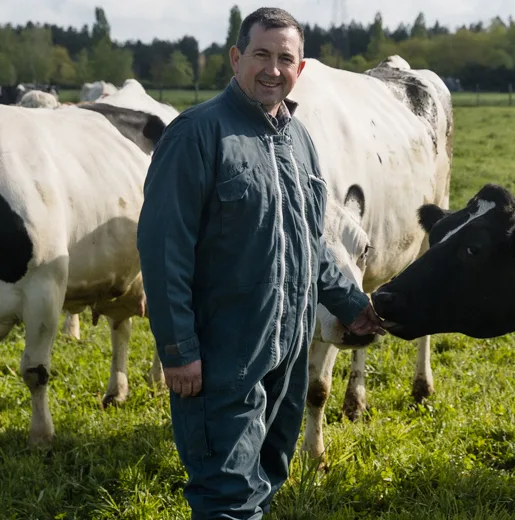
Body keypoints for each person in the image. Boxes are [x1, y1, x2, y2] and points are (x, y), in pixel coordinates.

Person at [136, 7, 385, 519]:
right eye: (261, 55)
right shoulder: (197, 136)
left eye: (285, 58)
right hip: (223, 358)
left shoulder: (300, 143)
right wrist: (179, 351)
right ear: (236, 58)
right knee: (226, 498)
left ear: (301, 68)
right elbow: (165, 252)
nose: (273, 68)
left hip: (288, 357)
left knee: (266, 481)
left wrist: (350, 303)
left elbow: (310, 243)